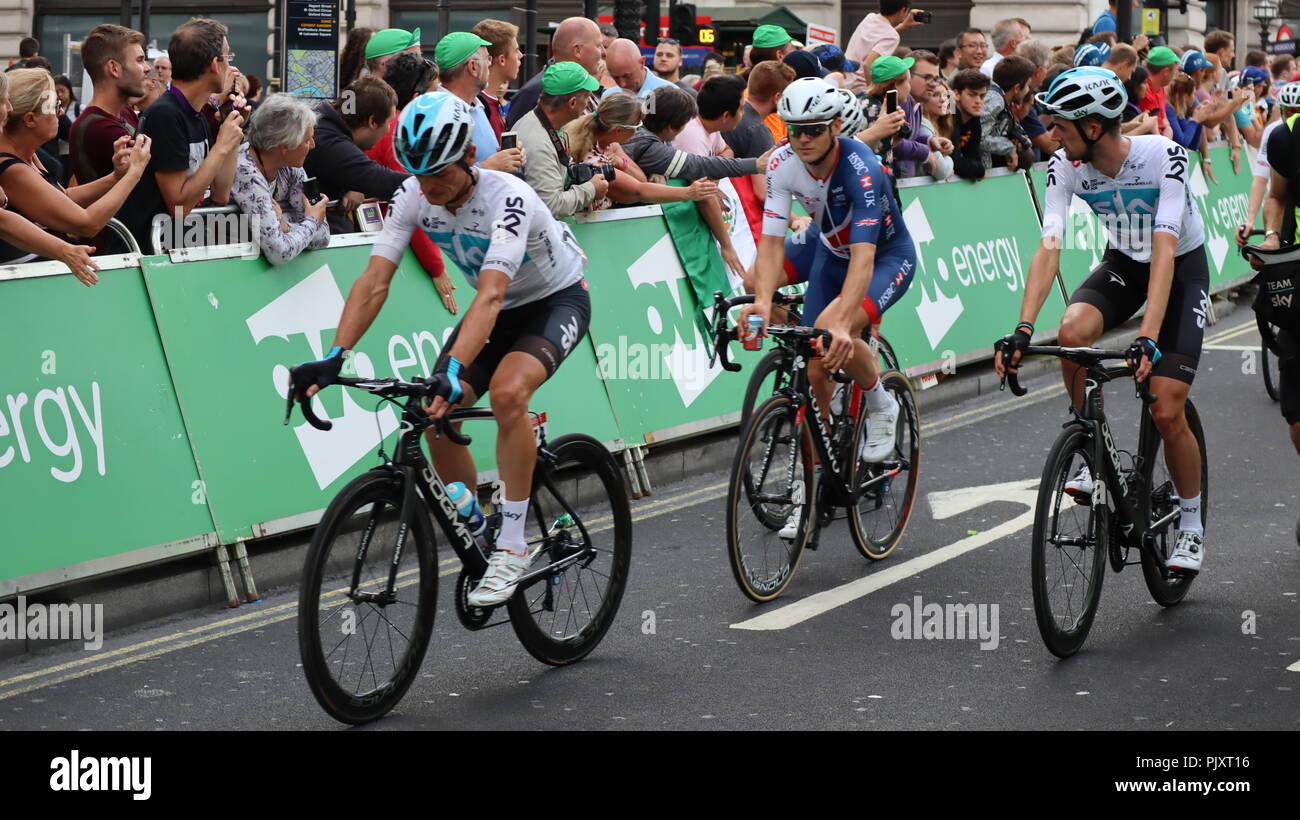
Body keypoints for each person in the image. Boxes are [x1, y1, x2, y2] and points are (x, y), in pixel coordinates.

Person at [292, 92, 594, 606]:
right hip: (493, 310)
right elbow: (374, 282)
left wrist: (453, 367)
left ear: (470, 159)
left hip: (553, 300)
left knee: (506, 394)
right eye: (418, 174)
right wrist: (334, 356)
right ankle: (478, 525)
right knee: (431, 411)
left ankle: (514, 545)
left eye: (440, 175)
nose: (428, 187)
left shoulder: (509, 198)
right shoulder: (414, 194)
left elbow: (493, 293)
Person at [997, 67, 1210, 575]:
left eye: (1061, 126)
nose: (1051, 134)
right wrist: (1024, 328)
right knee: (1071, 333)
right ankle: (1090, 445)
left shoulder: (1164, 156)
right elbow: (1050, 247)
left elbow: (1163, 252)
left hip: (1178, 269)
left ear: (1093, 128)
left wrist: (1147, 338)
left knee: (1164, 407)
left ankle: (1193, 524)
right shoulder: (1064, 165)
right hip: (1123, 263)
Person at [739, 76, 917, 538]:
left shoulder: (862, 167)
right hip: (828, 253)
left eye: (813, 130)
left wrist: (842, 322)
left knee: (831, 328)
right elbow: (772, 242)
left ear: (835, 126)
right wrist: (760, 302)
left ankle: (880, 402)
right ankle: (811, 482)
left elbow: (863, 257)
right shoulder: (782, 163)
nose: (803, 140)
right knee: (813, 364)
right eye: (794, 130)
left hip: (883, 258)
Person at [0, 69, 152, 263]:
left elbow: (62, 198)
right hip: (29, 283)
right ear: (30, 119)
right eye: (55, 106)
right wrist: (134, 173)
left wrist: (115, 177)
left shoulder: (26, 154)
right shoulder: (11, 168)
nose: (61, 112)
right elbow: (87, 224)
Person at [125, 18, 245, 248]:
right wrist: (220, 147)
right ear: (213, 65)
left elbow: (220, 194)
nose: (230, 68)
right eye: (227, 58)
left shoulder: (195, 114)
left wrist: (231, 131)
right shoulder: (165, 116)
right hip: (157, 252)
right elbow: (178, 207)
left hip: (186, 245)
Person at [361, 51, 454, 310]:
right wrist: (437, 269)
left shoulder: (395, 124)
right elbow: (410, 206)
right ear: (417, 100)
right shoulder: (400, 132)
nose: (442, 98)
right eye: (435, 93)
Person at [562, 90, 721, 209]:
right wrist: (689, 193)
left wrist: (622, 163)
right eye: (637, 127)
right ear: (618, 130)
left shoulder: (608, 145)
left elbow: (642, 180)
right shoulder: (596, 163)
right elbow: (639, 191)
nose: (638, 132)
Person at [229, 94, 328, 266]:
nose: (313, 145)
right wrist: (311, 221)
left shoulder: (292, 165)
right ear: (284, 145)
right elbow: (279, 253)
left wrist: (285, 226)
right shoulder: (245, 171)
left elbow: (324, 236)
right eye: (307, 140)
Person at [304, 76, 408, 234]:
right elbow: (379, 179)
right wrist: (434, 182)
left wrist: (355, 184)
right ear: (372, 122)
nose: (389, 129)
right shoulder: (329, 142)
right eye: (389, 122)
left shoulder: (325, 123)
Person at [512, 62, 609, 218]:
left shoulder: (542, 123)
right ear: (572, 103)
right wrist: (591, 189)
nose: (589, 102)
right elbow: (551, 205)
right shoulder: (538, 142)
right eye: (587, 97)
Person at [433, 32, 523, 174]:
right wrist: (489, 166)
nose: (489, 64)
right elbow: (438, 178)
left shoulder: (477, 104)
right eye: (488, 58)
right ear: (473, 67)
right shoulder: (439, 113)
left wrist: (507, 157)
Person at [505, 18, 604, 129]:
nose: (603, 52)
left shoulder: (585, 86)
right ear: (578, 51)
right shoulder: (536, 91)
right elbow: (515, 138)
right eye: (598, 45)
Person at [844, 1, 927, 95]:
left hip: (845, 82)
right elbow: (868, 64)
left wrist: (903, 26)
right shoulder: (891, 36)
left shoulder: (870, 18)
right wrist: (873, 95)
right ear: (903, 10)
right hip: (860, 89)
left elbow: (881, 37)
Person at [672, 74, 745, 157]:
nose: (744, 113)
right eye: (741, 108)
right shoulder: (692, 139)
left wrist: (717, 163)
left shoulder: (710, 125)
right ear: (726, 116)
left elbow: (727, 150)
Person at [472, 19, 521, 142]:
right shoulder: (477, 106)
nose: (520, 55)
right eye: (516, 50)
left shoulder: (490, 102)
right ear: (502, 60)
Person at [982, 56, 1034, 170]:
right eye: (1027, 86)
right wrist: (1008, 147)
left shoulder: (1001, 99)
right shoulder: (995, 99)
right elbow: (979, 138)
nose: (1028, 91)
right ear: (1017, 88)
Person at [950, 68, 987, 180]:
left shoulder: (974, 117)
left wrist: (977, 169)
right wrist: (979, 170)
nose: (978, 101)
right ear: (957, 94)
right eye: (972, 95)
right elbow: (955, 162)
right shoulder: (949, 115)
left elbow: (974, 157)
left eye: (982, 96)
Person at [605, 38, 673, 99]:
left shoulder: (670, 95)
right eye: (615, 77)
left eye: (627, 76)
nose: (622, 84)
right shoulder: (608, 97)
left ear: (642, 62)